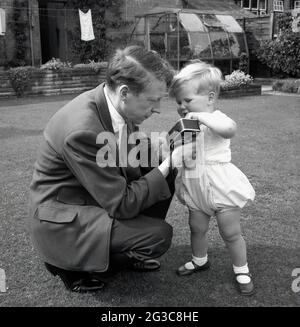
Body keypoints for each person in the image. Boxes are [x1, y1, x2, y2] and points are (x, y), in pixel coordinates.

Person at [29, 45, 196, 293]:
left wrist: (159, 151)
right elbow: (121, 203)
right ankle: (70, 266)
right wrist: (169, 162)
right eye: (153, 100)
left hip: (90, 195)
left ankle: (126, 246)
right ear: (125, 92)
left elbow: (123, 148)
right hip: (63, 219)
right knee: (158, 235)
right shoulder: (83, 130)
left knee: (161, 167)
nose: (158, 108)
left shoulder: (111, 104)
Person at [169, 60, 256, 296]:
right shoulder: (187, 124)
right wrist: (179, 181)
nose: (182, 106)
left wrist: (200, 116)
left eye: (187, 101)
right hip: (196, 185)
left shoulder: (216, 117)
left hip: (221, 185)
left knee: (230, 232)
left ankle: (242, 269)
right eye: (179, 102)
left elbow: (229, 129)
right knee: (196, 227)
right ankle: (200, 259)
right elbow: (185, 155)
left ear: (209, 98)